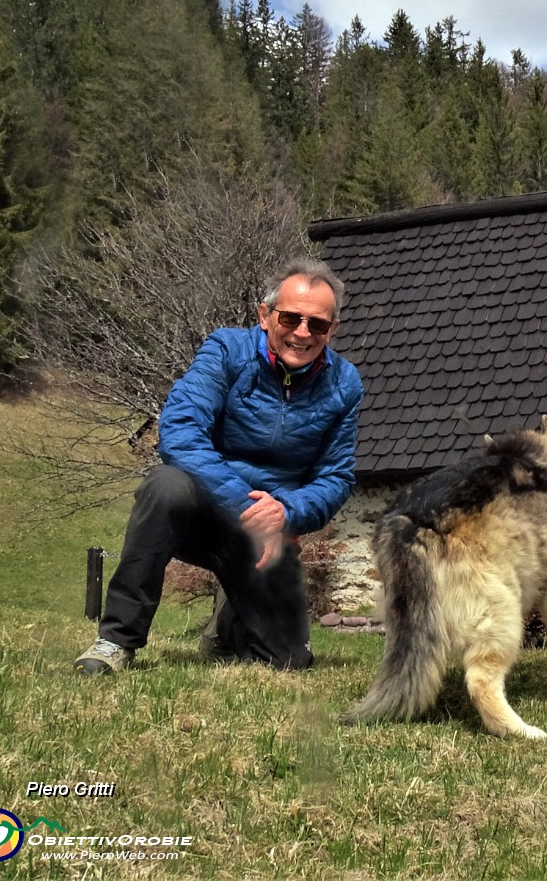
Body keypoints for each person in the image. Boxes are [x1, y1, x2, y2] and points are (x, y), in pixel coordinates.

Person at [75, 258, 364, 675]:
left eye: (317, 324)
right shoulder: (227, 350)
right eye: (290, 317)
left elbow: (336, 477)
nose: (302, 332)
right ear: (265, 315)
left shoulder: (346, 384)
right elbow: (179, 431)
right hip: (204, 511)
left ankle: (229, 624)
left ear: (332, 330)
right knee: (166, 485)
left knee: (287, 661)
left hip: (267, 533)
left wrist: (286, 512)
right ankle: (115, 641)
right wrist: (247, 508)